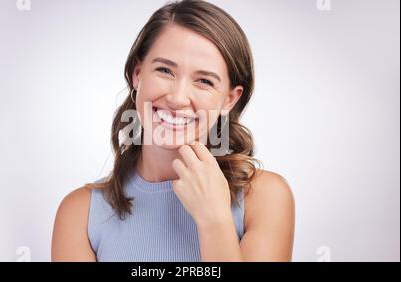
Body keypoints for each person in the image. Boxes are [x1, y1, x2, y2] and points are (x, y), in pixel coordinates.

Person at [52, 0, 295, 262]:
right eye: (165, 70)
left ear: (229, 99)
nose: (178, 98)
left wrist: (214, 219)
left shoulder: (264, 198)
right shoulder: (80, 214)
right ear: (137, 74)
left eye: (204, 81)